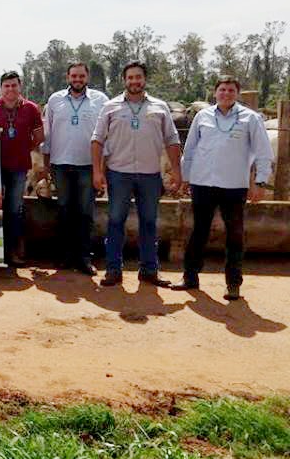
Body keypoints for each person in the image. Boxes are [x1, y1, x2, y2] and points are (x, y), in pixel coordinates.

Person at [171, 76, 273, 300]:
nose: (226, 93)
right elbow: (190, 149)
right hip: (202, 183)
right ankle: (190, 277)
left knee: (235, 234)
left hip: (234, 185)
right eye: (222, 90)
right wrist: (186, 177)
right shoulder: (202, 116)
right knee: (199, 231)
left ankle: (233, 283)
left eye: (230, 90)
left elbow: (264, 152)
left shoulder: (250, 118)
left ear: (237, 93)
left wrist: (260, 182)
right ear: (215, 92)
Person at [91, 60, 181, 287]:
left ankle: (149, 270)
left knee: (149, 222)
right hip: (118, 174)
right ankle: (113, 269)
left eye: (138, 77)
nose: (134, 81)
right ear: (124, 80)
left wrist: (176, 171)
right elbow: (97, 140)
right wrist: (97, 172)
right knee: (115, 221)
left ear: (145, 79)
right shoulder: (110, 107)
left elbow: (172, 140)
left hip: (150, 175)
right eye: (130, 77)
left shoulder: (160, 107)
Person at [39, 62, 109, 275]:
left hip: (88, 165)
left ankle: (85, 258)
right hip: (60, 165)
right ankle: (66, 256)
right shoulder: (55, 100)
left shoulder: (100, 100)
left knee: (85, 213)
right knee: (64, 211)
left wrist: (101, 170)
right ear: (67, 77)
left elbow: (106, 136)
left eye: (81, 76)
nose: (77, 79)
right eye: (74, 76)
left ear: (87, 77)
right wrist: (46, 166)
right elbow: (48, 135)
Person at [0, 71, 44, 266]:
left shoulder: (31, 108)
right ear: (1, 88)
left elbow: (39, 137)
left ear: (20, 86)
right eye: (6, 86)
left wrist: (24, 148)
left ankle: (13, 251)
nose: (10, 89)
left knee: (15, 210)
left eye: (14, 85)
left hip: (18, 168)